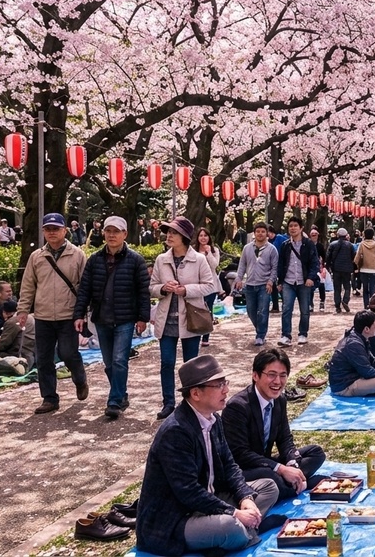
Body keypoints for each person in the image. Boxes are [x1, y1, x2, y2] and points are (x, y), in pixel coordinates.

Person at [136, 355, 280, 556]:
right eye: (219, 385)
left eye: (225, 383)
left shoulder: (214, 420)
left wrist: (245, 498)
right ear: (196, 393)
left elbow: (230, 465)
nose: (226, 390)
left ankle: (238, 530)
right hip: (177, 517)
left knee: (269, 487)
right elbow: (188, 492)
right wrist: (234, 512)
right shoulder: (176, 432)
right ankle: (240, 532)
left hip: (210, 500)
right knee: (231, 527)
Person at [222, 348, 327, 501]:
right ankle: (301, 484)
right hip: (243, 469)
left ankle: (294, 481)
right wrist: (280, 468)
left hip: (264, 462)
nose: (278, 382)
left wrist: (293, 465)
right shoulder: (237, 407)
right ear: (255, 375)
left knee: (316, 453)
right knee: (273, 478)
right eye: (271, 375)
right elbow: (241, 454)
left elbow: (285, 439)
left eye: (283, 375)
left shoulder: (280, 400)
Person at [72, 216, 151, 419]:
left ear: (125, 234)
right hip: (101, 318)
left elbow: (143, 291)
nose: (112, 235)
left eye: (116, 231)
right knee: (109, 362)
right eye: (108, 231)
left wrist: (143, 318)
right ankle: (121, 393)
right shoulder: (95, 259)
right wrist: (79, 314)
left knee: (119, 360)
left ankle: (114, 400)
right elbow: (85, 290)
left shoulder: (135, 260)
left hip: (125, 318)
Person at [17, 213, 88, 415]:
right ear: (43, 231)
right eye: (48, 229)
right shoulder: (36, 257)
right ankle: (49, 398)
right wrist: (23, 310)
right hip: (43, 315)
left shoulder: (77, 255)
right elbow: (28, 285)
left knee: (68, 353)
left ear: (64, 230)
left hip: (68, 314)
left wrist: (82, 312)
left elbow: (85, 286)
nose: (52, 232)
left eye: (56, 229)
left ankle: (80, 378)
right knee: (44, 358)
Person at [150, 216, 216, 420]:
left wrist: (185, 290)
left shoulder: (199, 259)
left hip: (190, 318)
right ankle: (168, 403)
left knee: (191, 364)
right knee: (167, 362)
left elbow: (210, 285)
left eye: (174, 233)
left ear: (185, 237)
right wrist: (163, 288)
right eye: (168, 232)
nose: (169, 236)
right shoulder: (162, 259)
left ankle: (190, 403)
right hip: (167, 319)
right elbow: (151, 287)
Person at [326, 310, 375, 396]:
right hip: (344, 386)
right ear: (366, 329)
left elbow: (373, 362)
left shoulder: (359, 338)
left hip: (354, 378)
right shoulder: (354, 344)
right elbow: (366, 371)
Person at [276, 216, 319, 346]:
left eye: (295, 226)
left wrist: (311, 277)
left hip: (304, 282)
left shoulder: (309, 244)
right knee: (286, 309)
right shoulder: (285, 245)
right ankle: (286, 335)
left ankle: (302, 334)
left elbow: (315, 263)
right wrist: (280, 281)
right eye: (290, 226)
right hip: (288, 282)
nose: (293, 228)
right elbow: (281, 264)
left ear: (301, 228)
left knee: (305, 310)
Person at [235, 222, 279, 346]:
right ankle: (259, 329)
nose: (260, 234)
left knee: (263, 310)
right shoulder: (247, 248)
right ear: (254, 233)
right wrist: (239, 278)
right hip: (249, 284)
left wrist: (271, 282)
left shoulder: (272, 249)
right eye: (258, 231)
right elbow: (242, 264)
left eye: (263, 231)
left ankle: (260, 335)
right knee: (250, 311)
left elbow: (274, 268)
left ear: (267, 234)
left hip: (264, 285)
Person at [192, 227, 222, 347]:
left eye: (205, 235)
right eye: (201, 236)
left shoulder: (214, 250)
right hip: (197, 284)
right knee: (197, 310)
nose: (203, 238)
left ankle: (206, 336)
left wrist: (208, 253)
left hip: (211, 285)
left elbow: (214, 265)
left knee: (208, 310)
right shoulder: (193, 251)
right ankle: (196, 334)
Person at [0, 299, 36, 364]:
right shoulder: (29, 317)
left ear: (5, 312)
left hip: (18, 357)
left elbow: (3, 345)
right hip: (30, 355)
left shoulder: (12, 321)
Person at [325, 228, 355, 314]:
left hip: (336, 269)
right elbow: (353, 256)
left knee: (337, 288)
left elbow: (328, 256)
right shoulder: (349, 245)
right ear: (346, 235)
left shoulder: (332, 244)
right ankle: (345, 300)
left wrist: (328, 267)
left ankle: (337, 306)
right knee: (347, 287)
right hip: (347, 269)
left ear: (337, 235)